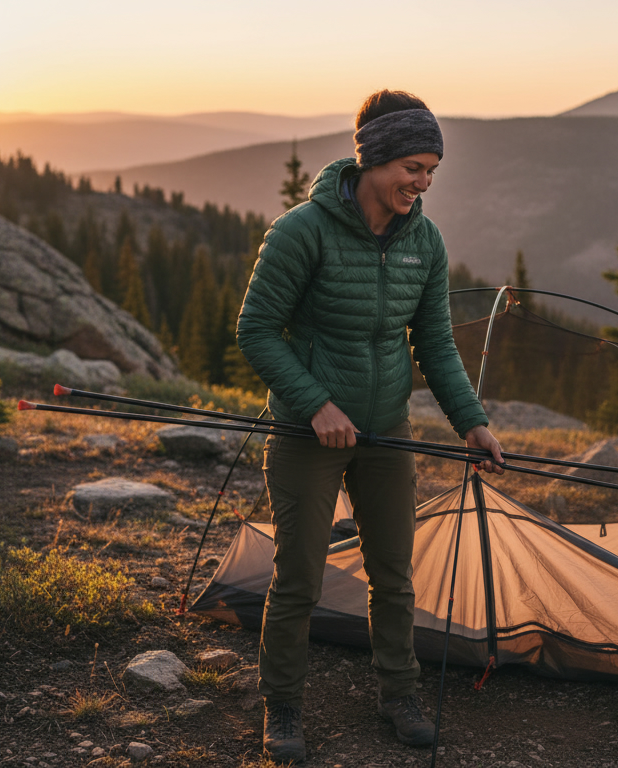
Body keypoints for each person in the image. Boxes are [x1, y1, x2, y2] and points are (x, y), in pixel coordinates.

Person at [236, 89, 505, 763]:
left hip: (386, 434)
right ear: (376, 159)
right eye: (413, 167)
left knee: (394, 572)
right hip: (310, 434)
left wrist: (471, 422)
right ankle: (284, 704)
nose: (423, 182)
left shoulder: (425, 241)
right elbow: (257, 332)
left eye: (432, 171)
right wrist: (315, 405)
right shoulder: (303, 231)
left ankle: (398, 693)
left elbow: (435, 343)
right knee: (298, 573)